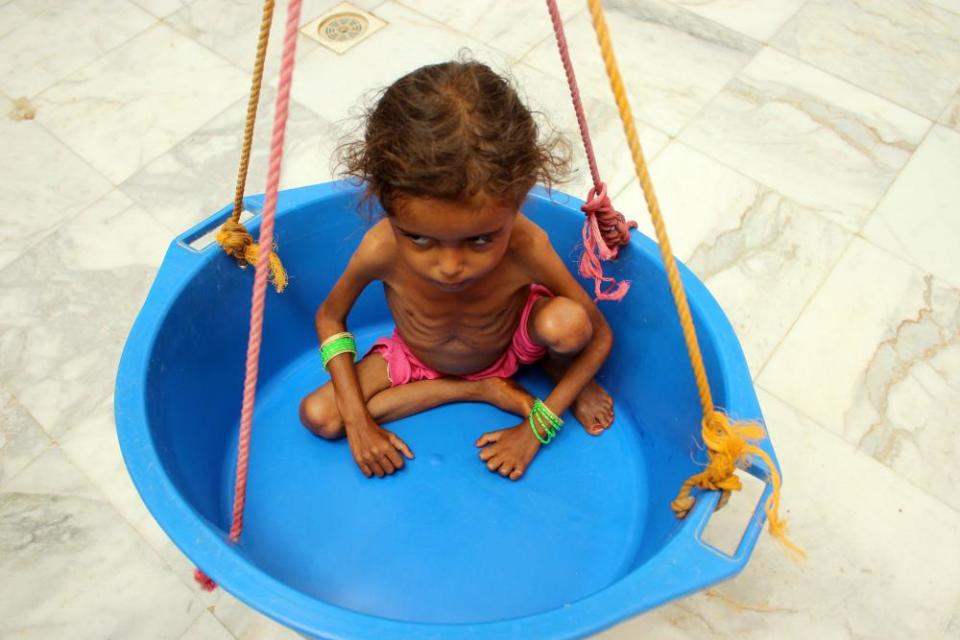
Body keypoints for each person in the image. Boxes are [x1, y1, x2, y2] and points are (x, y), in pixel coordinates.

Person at [299, 59, 614, 481]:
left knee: (569, 325)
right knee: (320, 416)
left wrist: (536, 429)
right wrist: (358, 424)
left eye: (481, 239)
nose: (449, 268)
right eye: (419, 238)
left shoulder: (527, 245)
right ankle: (478, 389)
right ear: (384, 203)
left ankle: (556, 368)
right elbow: (329, 317)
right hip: (416, 357)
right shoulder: (379, 249)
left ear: (519, 199)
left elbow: (600, 334)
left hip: (513, 345)